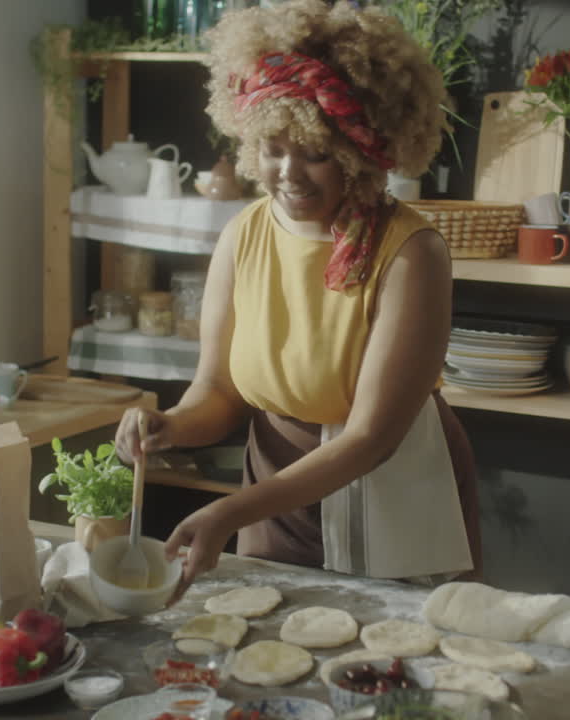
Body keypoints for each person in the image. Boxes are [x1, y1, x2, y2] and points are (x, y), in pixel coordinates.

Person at [114, 0, 480, 599]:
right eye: (272, 147)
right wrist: (169, 426)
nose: (288, 171)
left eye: (314, 153)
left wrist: (230, 512)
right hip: (274, 490)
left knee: (394, 671)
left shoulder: (411, 252)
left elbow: (369, 440)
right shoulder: (243, 234)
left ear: (360, 152)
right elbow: (221, 392)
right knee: (262, 649)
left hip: (390, 489)